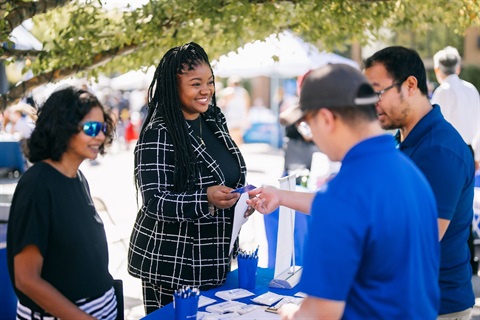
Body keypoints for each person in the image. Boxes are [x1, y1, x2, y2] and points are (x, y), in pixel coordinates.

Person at [247, 64, 440, 319]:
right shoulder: (411, 173)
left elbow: (320, 314)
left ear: (326, 119)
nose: (312, 136)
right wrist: (282, 196)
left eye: (308, 125)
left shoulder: (342, 193)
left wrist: (290, 313)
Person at [127, 42, 250, 314]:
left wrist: (241, 202)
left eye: (210, 82)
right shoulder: (159, 132)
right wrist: (205, 198)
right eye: (196, 84)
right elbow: (155, 202)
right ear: (173, 86)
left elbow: (228, 174)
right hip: (173, 265)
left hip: (215, 257)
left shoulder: (214, 119)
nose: (206, 90)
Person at [363, 46, 475, 319]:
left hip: (436, 304)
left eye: (377, 93)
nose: (372, 104)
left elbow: (420, 239)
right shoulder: (402, 140)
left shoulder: (439, 150)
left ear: (410, 84)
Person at [6, 86, 117, 319]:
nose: (99, 135)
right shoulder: (37, 185)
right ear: (63, 128)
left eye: (103, 127)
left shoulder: (77, 177)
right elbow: (26, 279)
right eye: (91, 128)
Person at [432, 46, 480, 171]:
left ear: (437, 70)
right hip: (470, 151)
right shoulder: (471, 89)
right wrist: (477, 155)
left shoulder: (441, 92)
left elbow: (435, 125)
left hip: (447, 151)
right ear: (458, 69)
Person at [219, 75, 251, 145]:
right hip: (241, 116)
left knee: (231, 135)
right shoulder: (244, 92)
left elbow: (223, 104)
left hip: (231, 116)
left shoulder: (228, 91)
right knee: (239, 135)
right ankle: (238, 149)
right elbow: (247, 105)